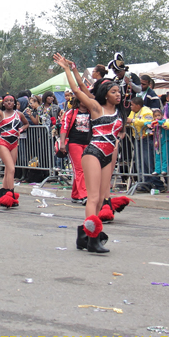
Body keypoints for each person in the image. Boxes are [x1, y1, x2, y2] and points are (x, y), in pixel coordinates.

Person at [55, 53, 124, 254]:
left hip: (109, 156)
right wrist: (68, 69)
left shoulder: (119, 112)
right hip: (93, 153)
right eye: (113, 91)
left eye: (119, 91)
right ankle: (92, 239)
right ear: (105, 94)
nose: (118, 94)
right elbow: (78, 90)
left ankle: (83, 236)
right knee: (93, 197)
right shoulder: (95, 107)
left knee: (102, 198)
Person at [59, 95, 90, 204]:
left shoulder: (92, 112)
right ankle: (84, 195)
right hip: (74, 144)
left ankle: (76, 195)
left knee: (86, 169)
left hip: (88, 143)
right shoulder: (70, 113)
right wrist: (62, 143)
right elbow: (64, 127)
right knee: (79, 169)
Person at [127, 97, 154, 182]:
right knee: (139, 161)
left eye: (132, 105)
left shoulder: (147, 111)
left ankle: (153, 182)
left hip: (146, 138)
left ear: (138, 105)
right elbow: (128, 120)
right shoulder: (133, 112)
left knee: (147, 161)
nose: (131, 107)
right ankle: (143, 181)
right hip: (137, 138)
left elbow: (147, 122)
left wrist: (133, 120)